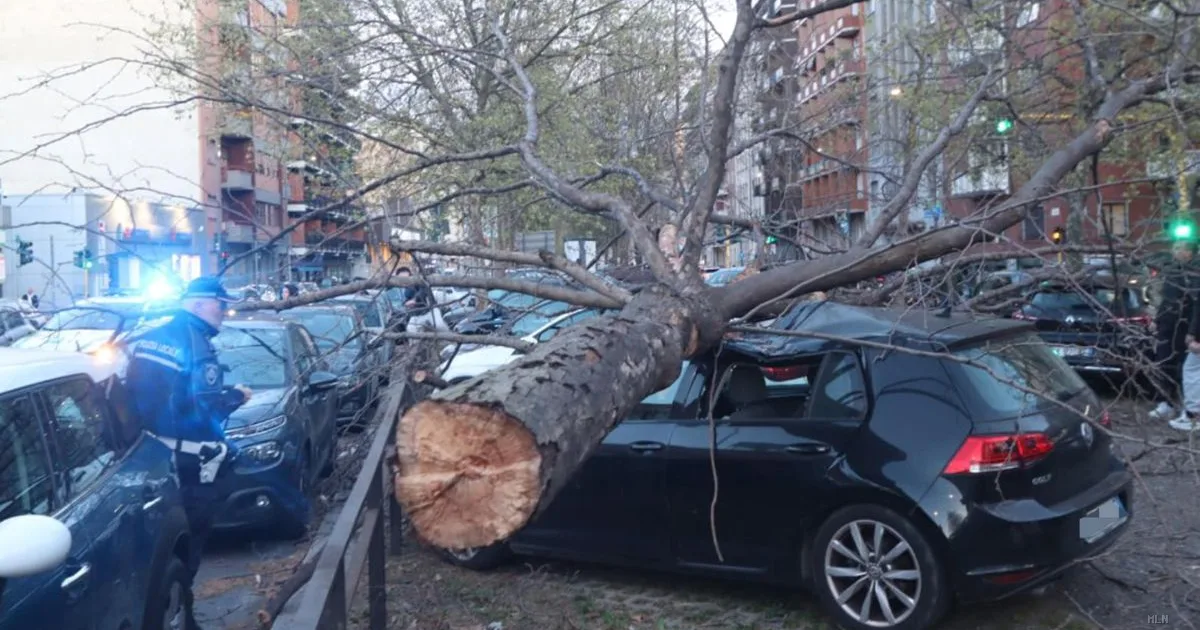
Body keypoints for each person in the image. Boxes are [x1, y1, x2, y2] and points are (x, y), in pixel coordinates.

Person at [122, 277, 251, 593]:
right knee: (190, 543)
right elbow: (202, 414)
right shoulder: (195, 344)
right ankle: (182, 612)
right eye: (219, 304)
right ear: (198, 305)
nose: (224, 311)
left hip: (153, 456)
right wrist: (234, 396)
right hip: (188, 465)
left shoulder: (153, 337)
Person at [1149, 240, 1200, 421]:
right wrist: (1157, 320)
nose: (1175, 251)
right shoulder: (1172, 271)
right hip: (1167, 326)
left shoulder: (1195, 273)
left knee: (1184, 368)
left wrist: (1193, 332)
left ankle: (1188, 406)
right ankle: (1165, 402)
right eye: (1175, 247)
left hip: (1185, 326)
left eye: (1179, 248)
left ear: (1189, 252)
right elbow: (1166, 300)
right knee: (1163, 363)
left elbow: (1196, 305)